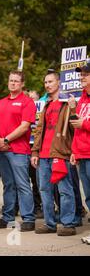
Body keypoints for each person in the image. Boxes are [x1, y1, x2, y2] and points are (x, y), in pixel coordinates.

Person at [31, 71, 77, 236]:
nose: (47, 85)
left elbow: (74, 127)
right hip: (43, 155)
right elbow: (38, 130)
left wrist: (72, 109)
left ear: (59, 83)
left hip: (60, 153)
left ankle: (68, 223)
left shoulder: (67, 103)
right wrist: (35, 151)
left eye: (50, 81)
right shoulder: (47, 105)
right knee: (44, 190)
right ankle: (49, 223)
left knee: (65, 190)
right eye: (45, 82)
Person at [0, 71, 36, 232]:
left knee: (23, 184)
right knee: (8, 185)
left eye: (16, 81)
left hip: (18, 150)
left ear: (22, 84)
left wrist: (6, 140)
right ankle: (7, 217)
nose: (13, 83)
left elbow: (25, 126)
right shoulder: (0, 102)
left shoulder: (27, 102)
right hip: (1, 150)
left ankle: (29, 219)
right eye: (11, 80)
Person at [69, 61, 90, 243]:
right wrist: (74, 150)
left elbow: (83, 124)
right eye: (81, 74)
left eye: (85, 74)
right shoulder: (82, 99)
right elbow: (77, 129)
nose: (81, 77)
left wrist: (84, 123)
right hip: (82, 154)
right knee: (88, 195)